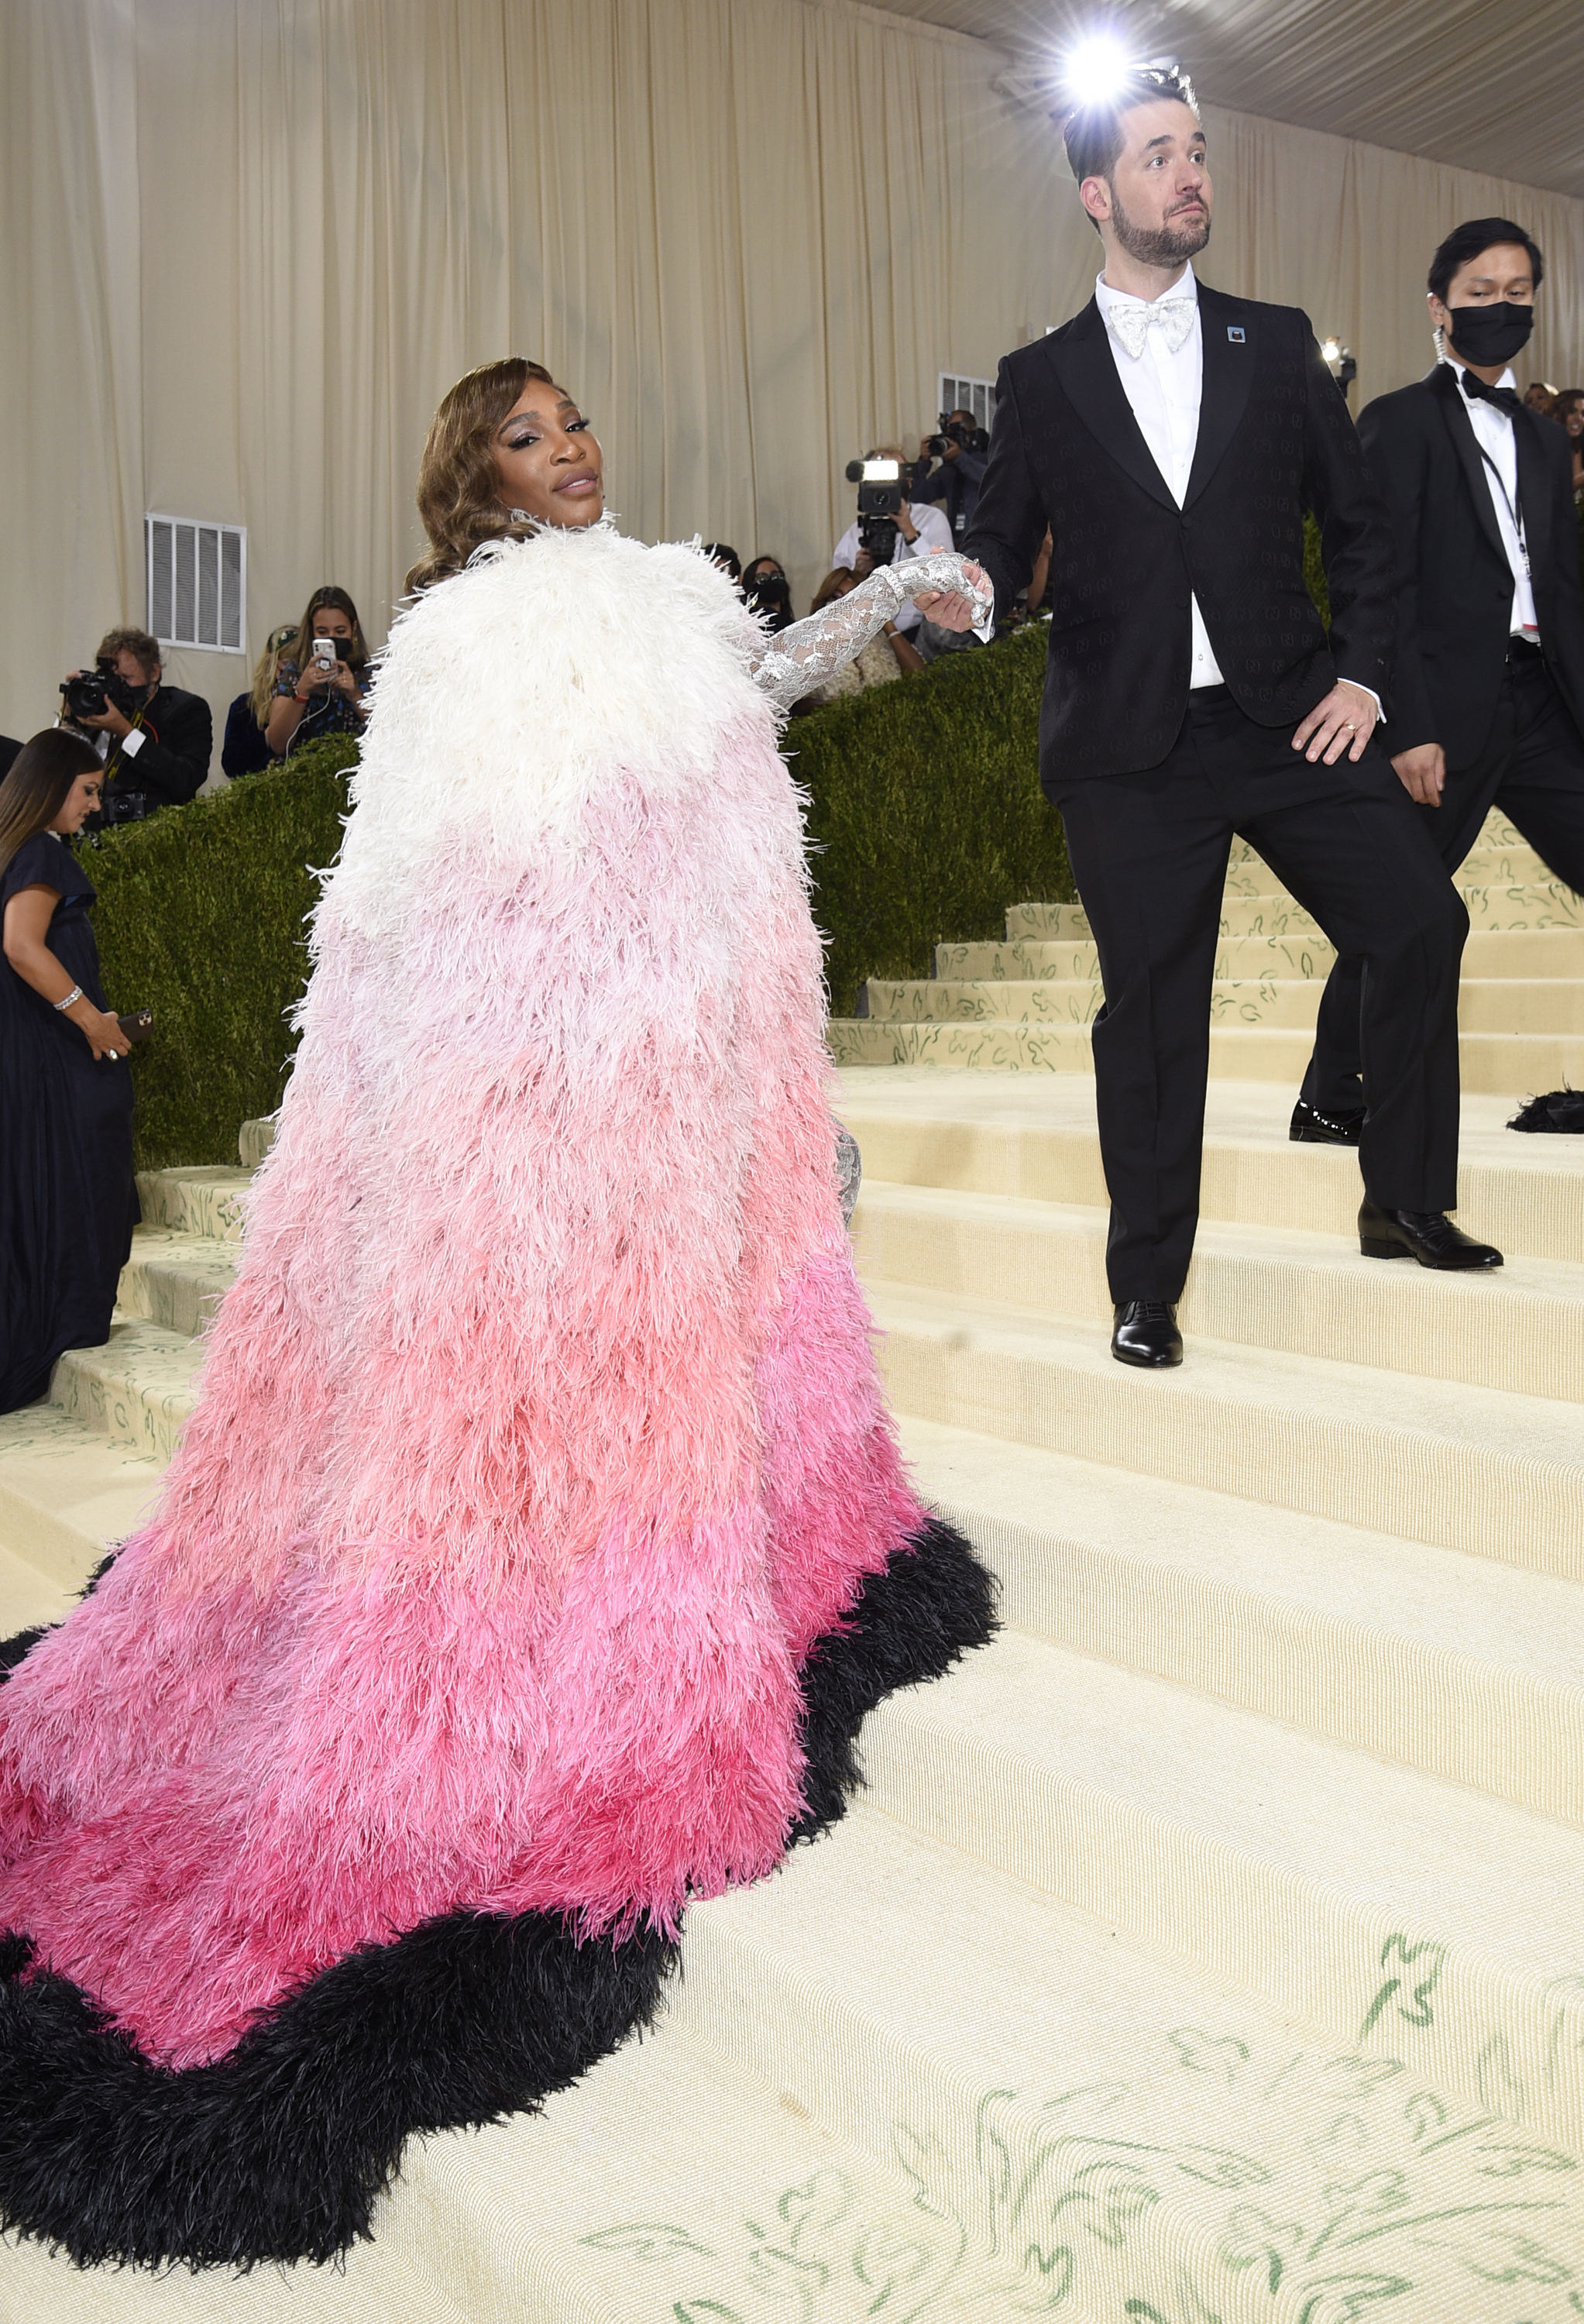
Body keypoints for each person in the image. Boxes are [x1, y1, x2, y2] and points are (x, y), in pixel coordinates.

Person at [0, 356, 995, 2268]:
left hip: (683, 1060)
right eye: (530, 438)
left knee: (694, 1381)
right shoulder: (455, 646)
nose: (575, 452)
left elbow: (734, 711)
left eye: (579, 423)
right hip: (538, 1100)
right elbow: (411, 905)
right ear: (473, 477)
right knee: (534, 1416)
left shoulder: (669, 594)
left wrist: (883, 605)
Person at [966, 62, 1499, 1376]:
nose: (1189, 171)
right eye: (1157, 155)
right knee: (1153, 1017)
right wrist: (956, 586)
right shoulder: (1038, 380)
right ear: (1099, 193)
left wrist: (1365, 681)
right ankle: (1146, 1287)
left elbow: (1362, 532)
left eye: (1196, 150)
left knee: (1421, 917)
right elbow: (994, 540)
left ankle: (1405, 1196)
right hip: (1129, 753)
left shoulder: (1276, 338)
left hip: (1286, 720)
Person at [1295, 220, 1584, 1144]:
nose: (1499, 308)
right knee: (1402, 903)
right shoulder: (1396, 421)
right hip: (1444, 713)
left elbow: (1559, 585)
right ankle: (1330, 1096)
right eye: (1478, 292)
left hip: (1540, 698)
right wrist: (1406, 725)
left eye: (1515, 293)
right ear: (1437, 305)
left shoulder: (1542, 441)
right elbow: (1381, 585)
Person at [0, 730, 139, 1414]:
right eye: (87, 791)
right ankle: (63, 1321)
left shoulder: (14, 853)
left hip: (29, 1056)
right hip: (56, 1057)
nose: (93, 805)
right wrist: (93, 1021)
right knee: (87, 1170)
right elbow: (23, 948)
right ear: (51, 786)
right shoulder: (41, 854)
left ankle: (56, 1318)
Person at [63, 627, 212, 816]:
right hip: (88, 828)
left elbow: (186, 779)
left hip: (152, 831)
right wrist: (68, 716)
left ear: (154, 673)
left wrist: (126, 732)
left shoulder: (185, 709)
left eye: (126, 678)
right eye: (111, 678)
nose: (118, 686)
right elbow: (55, 774)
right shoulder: (96, 705)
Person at [832, 449, 952, 638]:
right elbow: (835, 592)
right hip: (869, 636)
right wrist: (857, 573)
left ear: (909, 482)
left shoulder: (931, 518)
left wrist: (910, 531)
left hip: (921, 634)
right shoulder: (857, 530)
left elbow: (947, 575)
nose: (884, 487)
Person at [795, 565, 925, 708]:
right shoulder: (809, 647)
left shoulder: (880, 640)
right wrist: (843, 708)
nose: (845, 603)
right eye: (836, 596)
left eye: (853, 596)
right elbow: (796, 705)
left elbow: (920, 677)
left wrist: (887, 624)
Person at [263, 586, 370, 758]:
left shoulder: (370, 673)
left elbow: (392, 736)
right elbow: (277, 744)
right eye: (322, 632)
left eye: (340, 631)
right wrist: (302, 692)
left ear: (354, 628)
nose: (332, 637)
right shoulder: (294, 673)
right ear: (311, 631)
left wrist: (355, 695)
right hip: (305, 776)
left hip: (359, 776)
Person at [221, 623, 297, 778]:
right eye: (287, 663)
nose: (293, 673)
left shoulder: (318, 704)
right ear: (270, 664)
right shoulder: (245, 706)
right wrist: (271, 736)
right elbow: (231, 764)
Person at [913, 407, 989, 545]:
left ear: (971, 434)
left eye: (954, 435)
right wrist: (923, 463)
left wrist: (960, 458)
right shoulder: (948, 470)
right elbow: (918, 499)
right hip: (957, 544)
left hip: (987, 541)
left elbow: (991, 481)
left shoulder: (991, 456)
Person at [744, 553, 795, 633]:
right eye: (762, 578)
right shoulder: (745, 629)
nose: (770, 580)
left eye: (775, 576)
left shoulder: (795, 628)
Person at [1555, 387, 1584, 502]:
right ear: (1558, 413)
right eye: (1572, 412)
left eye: (1583, 414)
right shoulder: (1544, 448)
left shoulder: (1579, 445)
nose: (1579, 419)